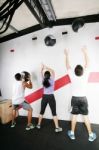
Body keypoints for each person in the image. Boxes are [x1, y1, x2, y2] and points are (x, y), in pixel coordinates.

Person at [64, 46, 96, 142]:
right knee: (86, 116)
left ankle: (72, 134)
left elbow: (67, 66)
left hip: (75, 99)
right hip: (83, 99)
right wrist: (85, 52)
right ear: (82, 71)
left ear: (75, 71)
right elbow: (88, 63)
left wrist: (66, 55)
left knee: (74, 116)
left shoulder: (72, 75)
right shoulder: (85, 74)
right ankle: (90, 135)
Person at [36, 64, 62, 132]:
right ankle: (57, 128)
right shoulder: (52, 80)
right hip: (51, 97)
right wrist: (46, 67)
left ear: (44, 76)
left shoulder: (43, 80)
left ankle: (38, 125)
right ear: (50, 75)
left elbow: (40, 73)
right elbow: (53, 71)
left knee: (41, 111)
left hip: (44, 96)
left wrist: (42, 68)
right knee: (54, 112)